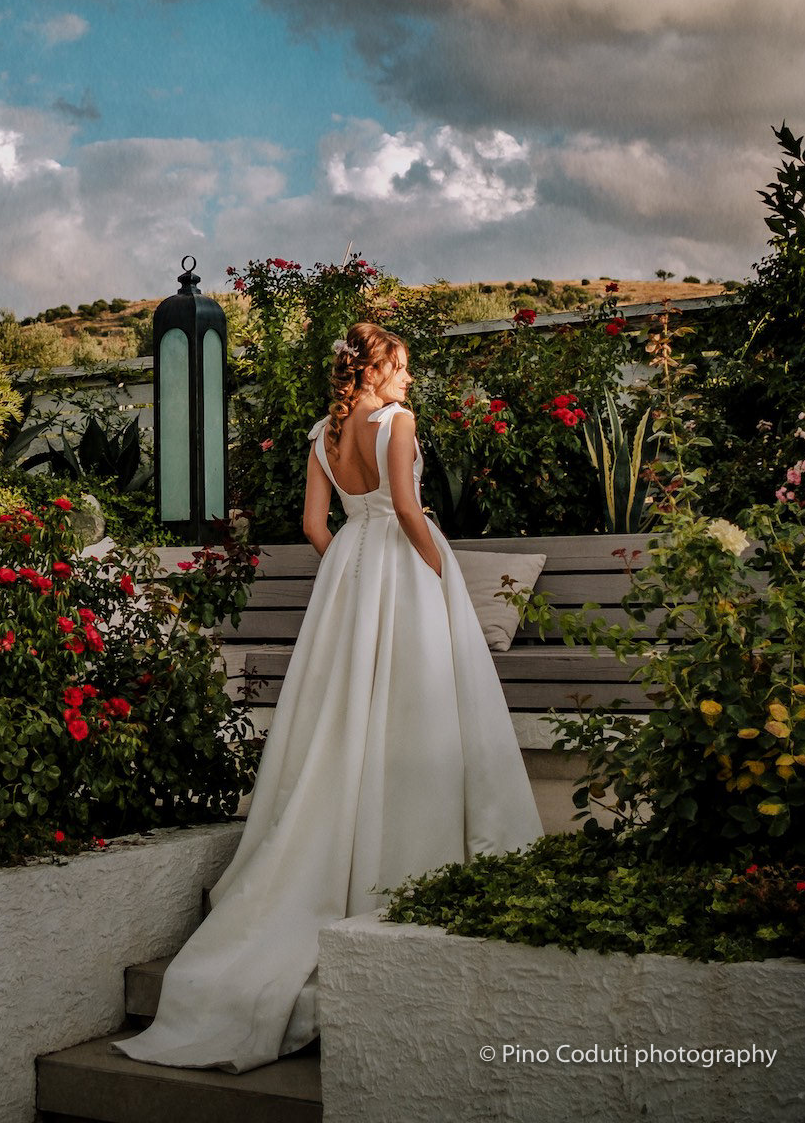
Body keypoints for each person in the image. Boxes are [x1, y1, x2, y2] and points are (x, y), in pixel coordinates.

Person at [111, 320, 543, 1075]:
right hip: (405, 571)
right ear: (378, 373)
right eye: (403, 369)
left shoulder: (325, 432)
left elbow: (316, 525)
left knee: (343, 714)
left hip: (347, 576)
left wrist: (352, 562)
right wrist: (440, 576)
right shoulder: (395, 423)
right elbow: (409, 511)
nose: (410, 382)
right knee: (417, 704)